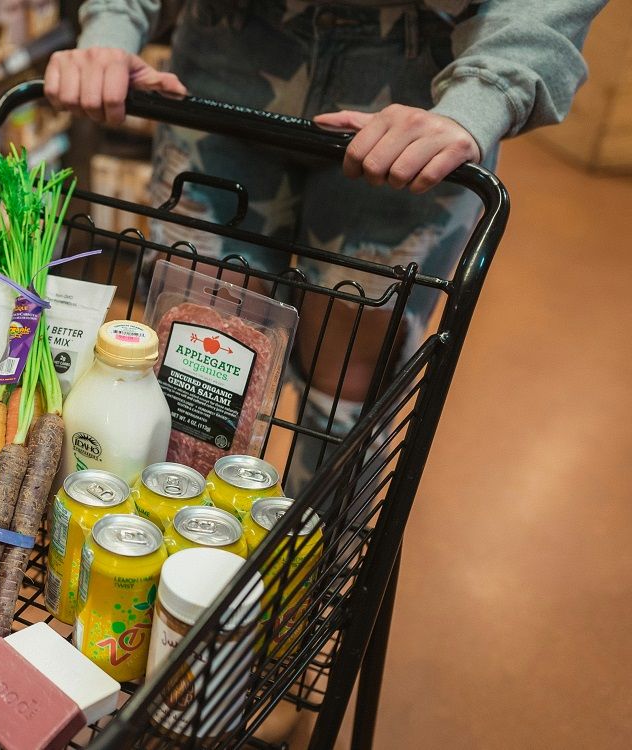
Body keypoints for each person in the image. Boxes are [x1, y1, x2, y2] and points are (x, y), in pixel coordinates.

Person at [46, 0, 605, 488]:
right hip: (226, 46)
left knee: (349, 373)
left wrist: (486, 93)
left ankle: (307, 570)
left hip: (425, 77)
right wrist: (111, 25)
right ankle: (170, 552)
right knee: (195, 342)